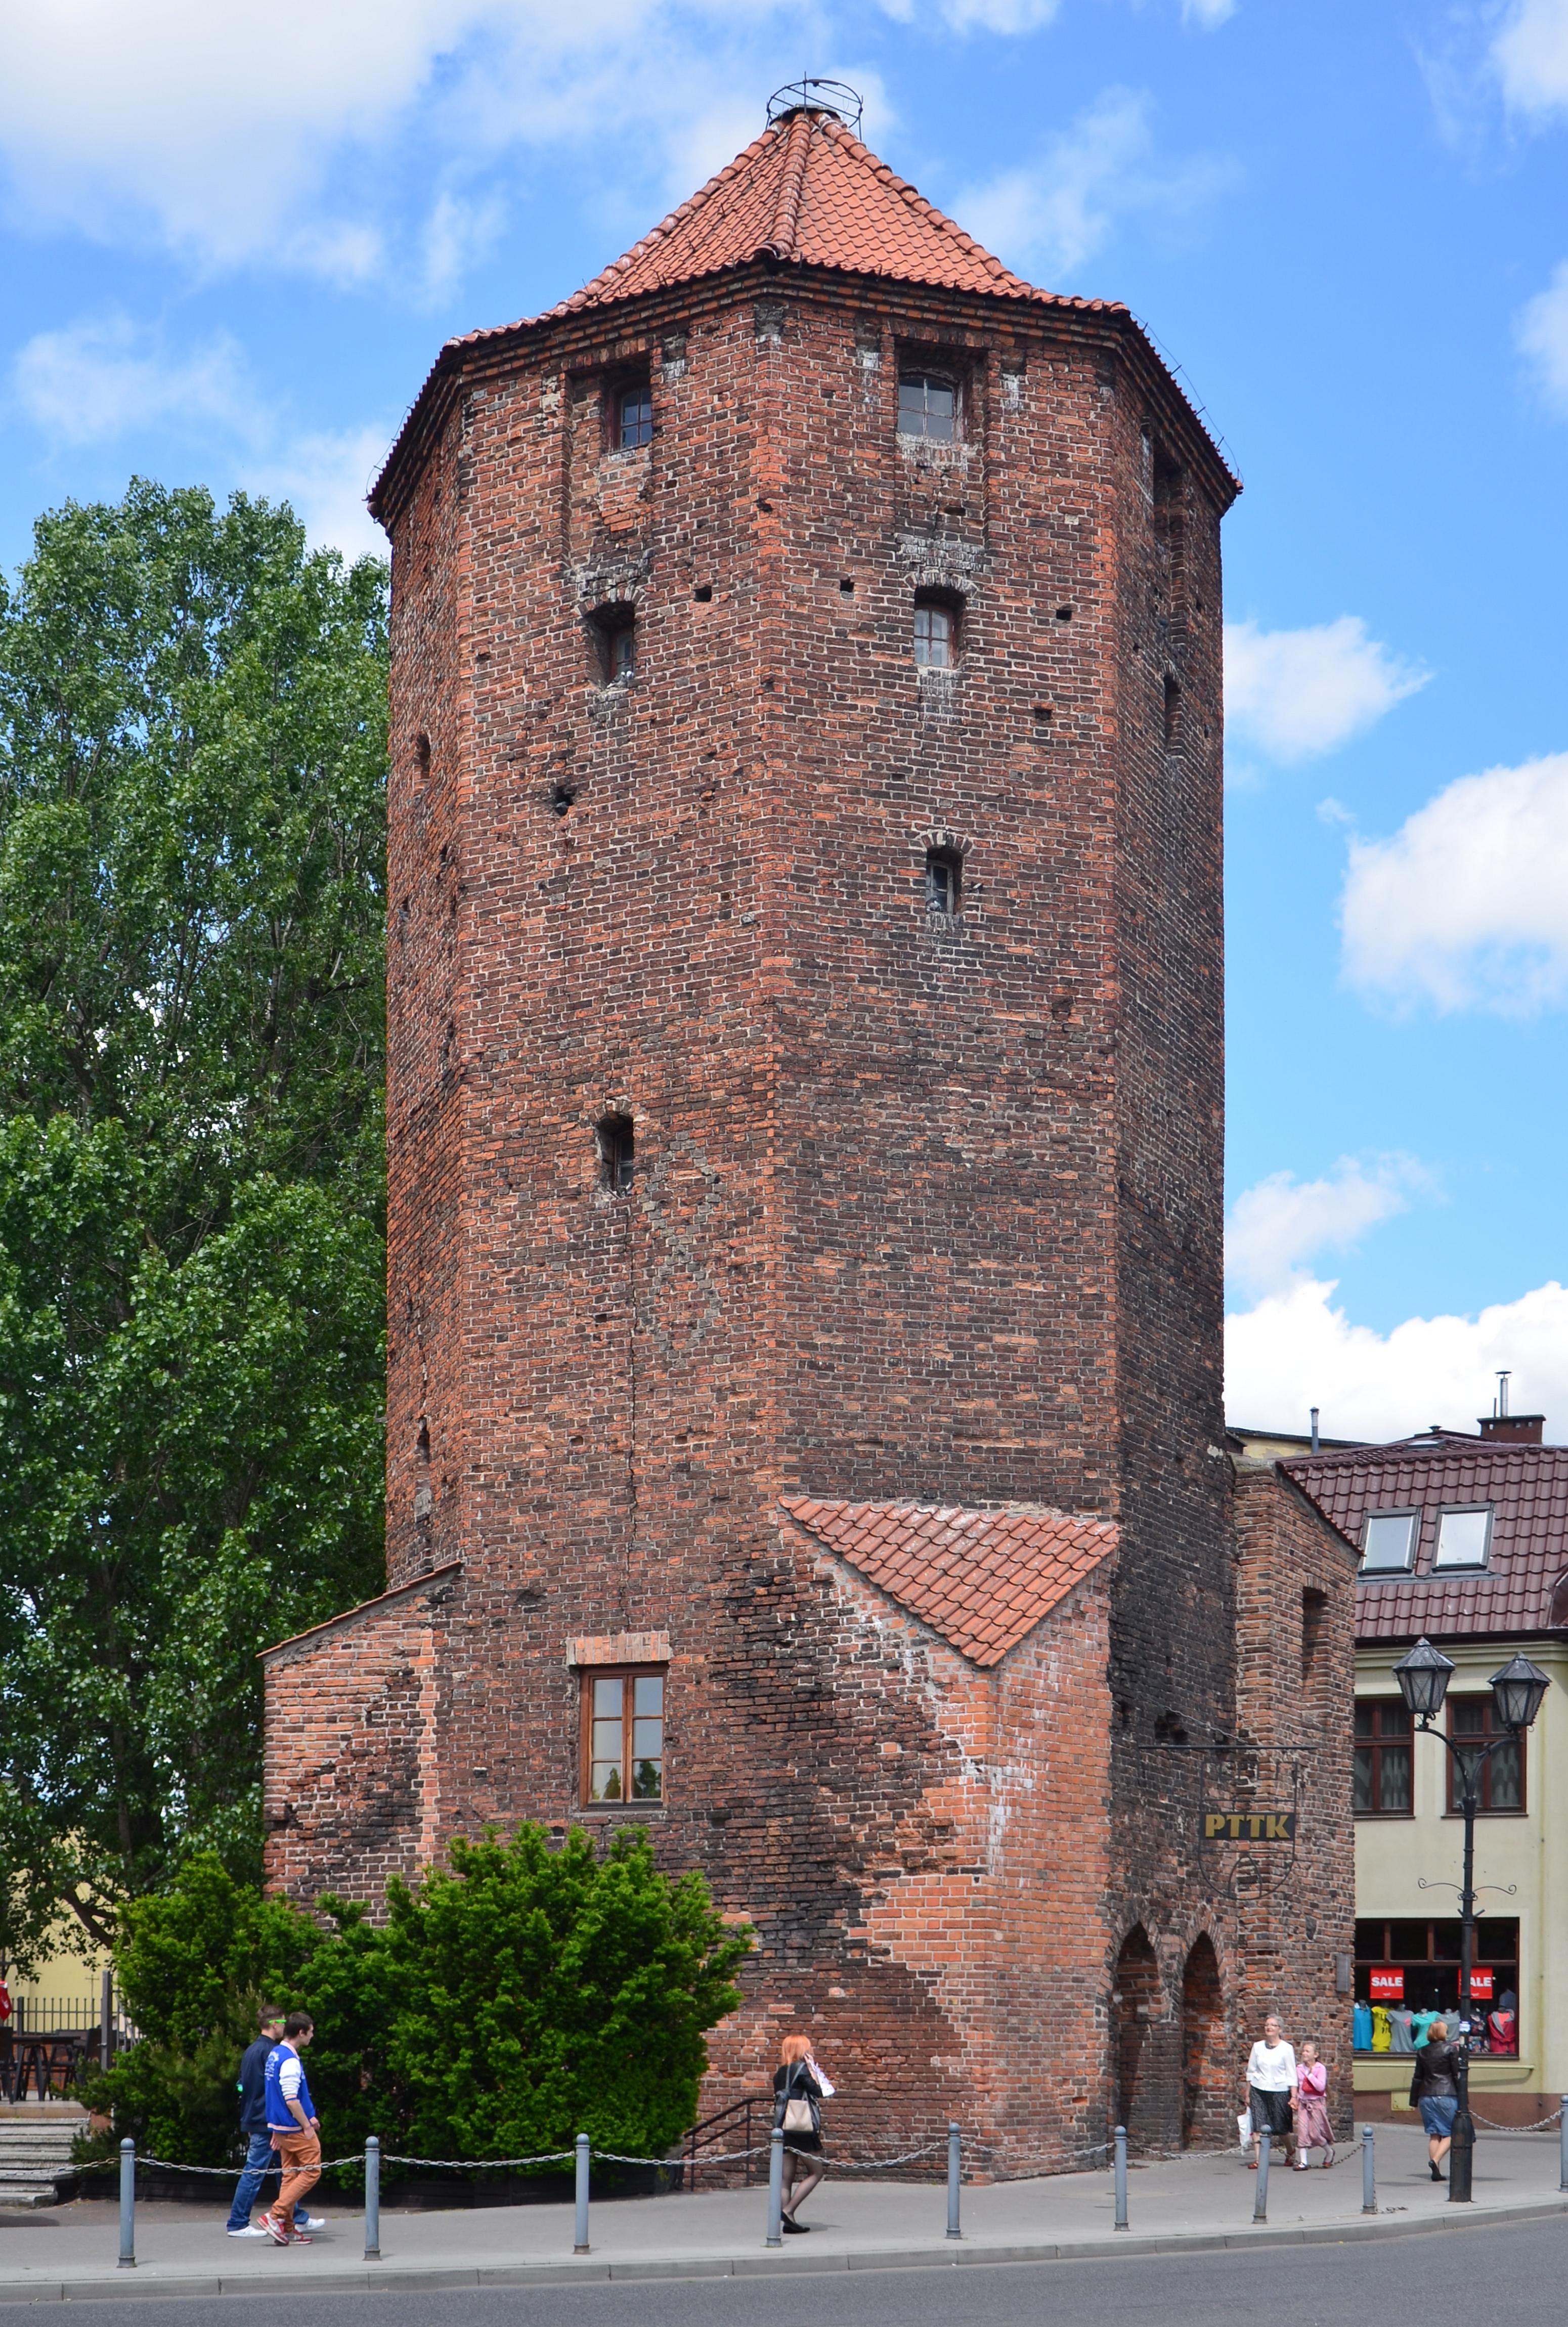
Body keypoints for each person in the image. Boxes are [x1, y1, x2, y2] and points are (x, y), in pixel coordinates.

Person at [225, 2008, 323, 2238]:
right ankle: (241, 2221)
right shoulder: (274, 2053)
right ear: (274, 2023)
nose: (283, 2025)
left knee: (287, 2173)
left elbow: (244, 2086)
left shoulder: (254, 2051)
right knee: (259, 2171)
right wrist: (274, 2126)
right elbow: (276, 2093)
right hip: (269, 2123)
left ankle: (292, 2219)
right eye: (281, 2021)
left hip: (262, 2120)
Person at [260, 2012, 323, 2245]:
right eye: (311, 2031)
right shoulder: (290, 2060)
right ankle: (275, 2215)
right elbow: (290, 2098)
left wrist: (277, 2128)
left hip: (281, 2126)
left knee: (290, 2174)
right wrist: (307, 2125)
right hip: (294, 2126)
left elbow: (275, 2094)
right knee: (312, 2170)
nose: (312, 2035)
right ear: (301, 2033)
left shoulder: (276, 2054)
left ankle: (286, 2228)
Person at [772, 2033, 834, 2232]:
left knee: (785, 2179)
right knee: (816, 2172)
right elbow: (819, 2092)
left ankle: (788, 2224)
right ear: (802, 2050)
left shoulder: (780, 2073)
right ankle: (789, 2211)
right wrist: (813, 2069)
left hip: (784, 2127)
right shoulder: (802, 2070)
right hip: (803, 2128)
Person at [1409, 2017, 1461, 2181]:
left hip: (1426, 2095)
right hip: (1447, 2094)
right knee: (1452, 2132)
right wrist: (1463, 2097)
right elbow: (1456, 2074)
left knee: (1434, 2134)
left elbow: (1417, 2077)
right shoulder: (1451, 2050)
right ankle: (1435, 2160)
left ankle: (1436, 2171)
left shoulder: (1422, 2051)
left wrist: (1413, 2099)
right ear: (1443, 2033)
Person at [1243, 2014, 1297, 2168]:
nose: (1269, 2027)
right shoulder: (1258, 2047)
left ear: (1279, 2029)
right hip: (1259, 2089)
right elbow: (1251, 2071)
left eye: (1273, 2025)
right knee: (1258, 2124)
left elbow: (1292, 2073)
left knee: (1281, 2127)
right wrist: (1248, 2093)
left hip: (1280, 2090)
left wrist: (1294, 2096)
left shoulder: (1287, 2049)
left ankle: (1290, 2151)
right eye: (1267, 2025)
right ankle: (1259, 2159)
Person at [1291, 2041, 1333, 2169]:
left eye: (1307, 2051)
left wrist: (1310, 2074)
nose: (1304, 2053)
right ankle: (1303, 2162)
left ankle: (1329, 2152)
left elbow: (1320, 2087)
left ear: (1316, 2055)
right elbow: (1298, 2086)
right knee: (1303, 2131)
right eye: (1303, 2051)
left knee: (1315, 2134)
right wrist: (1295, 2099)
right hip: (1304, 2104)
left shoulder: (1321, 2068)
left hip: (1317, 2103)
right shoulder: (1299, 2068)